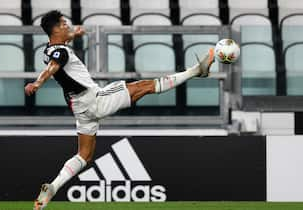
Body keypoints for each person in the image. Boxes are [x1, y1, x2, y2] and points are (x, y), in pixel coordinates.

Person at [24, 10, 214, 210]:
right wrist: (37, 83)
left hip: (80, 109)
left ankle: (52, 187)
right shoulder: (59, 53)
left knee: (85, 155)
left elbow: (57, 54)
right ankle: (196, 71)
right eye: (64, 24)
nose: (67, 26)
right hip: (94, 100)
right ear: (55, 29)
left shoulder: (50, 48)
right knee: (146, 86)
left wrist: (74, 34)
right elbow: (53, 66)